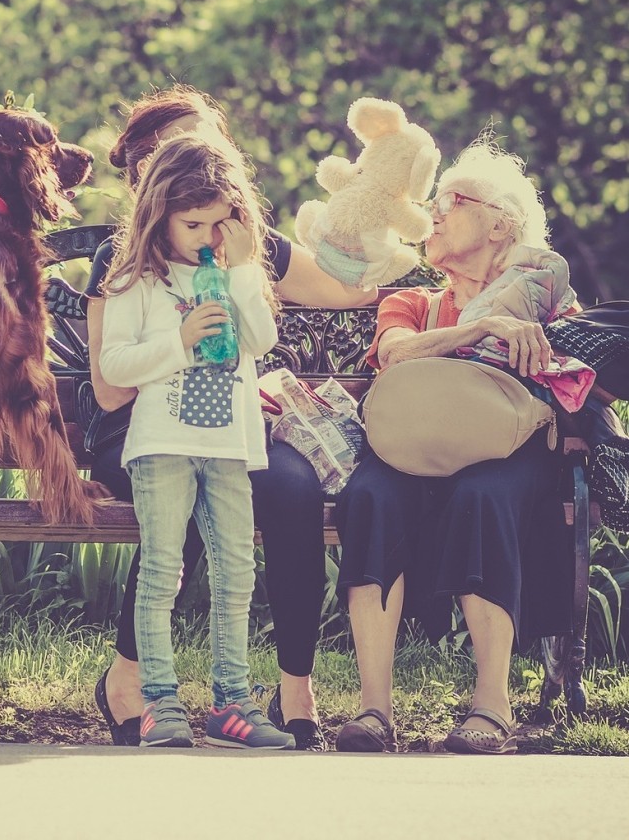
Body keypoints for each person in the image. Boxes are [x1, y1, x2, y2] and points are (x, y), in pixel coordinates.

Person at [88, 86, 377, 750]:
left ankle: (279, 690)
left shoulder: (241, 244)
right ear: (151, 174)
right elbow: (111, 388)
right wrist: (182, 339)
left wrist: (411, 268)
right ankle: (139, 684)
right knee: (178, 522)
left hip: (227, 429)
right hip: (145, 429)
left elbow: (335, 294)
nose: (203, 158)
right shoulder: (126, 261)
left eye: (214, 147)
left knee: (290, 490)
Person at [334, 137, 575, 755]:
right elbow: (390, 354)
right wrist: (482, 328)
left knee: (482, 493)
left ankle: (491, 705)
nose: (432, 213)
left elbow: (582, 372)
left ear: (501, 224)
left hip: (507, 455)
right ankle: (374, 710)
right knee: (368, 494)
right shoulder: (414, 301)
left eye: (452, 201)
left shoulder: (544, 295)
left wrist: (541, 346)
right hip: (411, 449)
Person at [99, 132, 295, 748]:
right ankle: (159, 702)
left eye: (219, 223)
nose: (207, 237)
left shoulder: (239, 274)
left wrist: (240, 272)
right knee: (164, 569)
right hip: (162, 445)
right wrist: (180, 341)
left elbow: (260, 341)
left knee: (236, 571)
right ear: (160, 216)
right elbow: (116, 368)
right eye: (193, 224)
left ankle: (232, 704)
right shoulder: (138, 280)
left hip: (233, 446)